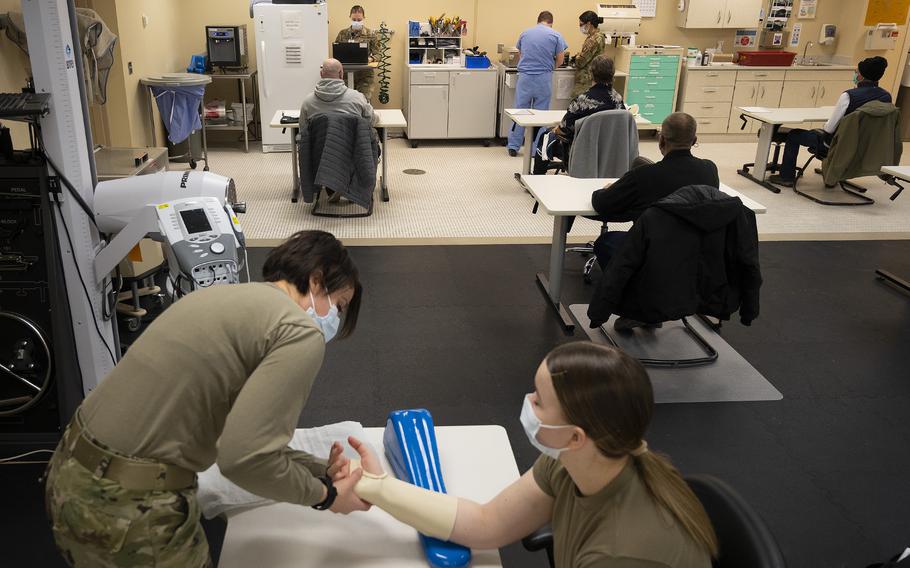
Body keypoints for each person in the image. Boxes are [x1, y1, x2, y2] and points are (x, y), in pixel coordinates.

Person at [44, 231, 368, 567]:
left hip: (71, 475)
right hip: (128, 507)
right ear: (316, 280)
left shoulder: (223, 301)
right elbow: (246, 459)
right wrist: (326, 496)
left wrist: (319, 470)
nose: (334, 318)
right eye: (339, 306)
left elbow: (237, 433)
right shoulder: (299, 332)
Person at [328, 342, 717, 568]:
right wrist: (376, 487)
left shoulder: (622, 553)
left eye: (539, 399)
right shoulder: (572, 460)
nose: (528, 403)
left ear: (577, 436)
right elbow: (486, 523)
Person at [590, 113, 718, 303]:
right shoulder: (709, 170)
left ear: (661, 140)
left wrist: (608, 189)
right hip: (697, 251)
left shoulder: (643, 176)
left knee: (606, 242)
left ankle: (636, 300)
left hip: (653, 253)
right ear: (694, 140)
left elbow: (602, 203)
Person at [768, 56, 892, 187]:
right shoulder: (886, 96)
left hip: (839, 145)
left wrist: (824, 126)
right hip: (865, 146)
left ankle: (786, 177)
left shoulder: (849, 96)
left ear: (861, 76)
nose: (855, 74)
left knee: (794, 135)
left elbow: (829, 129)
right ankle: (831, 169)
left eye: (857, 72)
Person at [534, 55, 625, 173]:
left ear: (591, 74)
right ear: (612, 74)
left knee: (546, 136)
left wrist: (555, 130)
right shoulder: (618, 99)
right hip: (609, 150)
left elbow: (564, 129)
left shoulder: (582, 100)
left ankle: (537, 177)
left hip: (582, 150)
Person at [507, 11, 568, 157]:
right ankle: (536, 150)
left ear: (538, 20)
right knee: (541, 115)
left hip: (525, 78)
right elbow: (560, 59)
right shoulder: (555, 35)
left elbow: (521, 55)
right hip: (543, 78)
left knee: (520, 112)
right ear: (551, 22)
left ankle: (513, 146)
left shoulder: (525, 33)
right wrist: (549, 67)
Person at [300, 58, 378, 127]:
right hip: (350, 143)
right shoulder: (358, 98)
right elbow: (372, 121)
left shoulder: (308, 102)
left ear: (321, 74)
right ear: (341, 74)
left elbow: (303, 129)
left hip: (319, 143)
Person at [335, 5, 381, 101]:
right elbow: (337, 53)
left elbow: (378, 54)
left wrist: (370, 59)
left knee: (363, 102)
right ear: (350, 18)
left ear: (364, 18)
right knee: (345, 103)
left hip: (365, 76)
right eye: (354, 19)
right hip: (346, 76)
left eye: (359, 20)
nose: (356, 22)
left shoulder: (371, 34)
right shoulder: (342, 34)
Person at [572, 11, 607, 99]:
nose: (580, 27)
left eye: (581, 24)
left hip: (586, 81)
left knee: (579, 105)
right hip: (589, 79)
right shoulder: (596, 36)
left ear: (589, 23)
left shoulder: (594, 39)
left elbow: (581, 62)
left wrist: (577, 57)